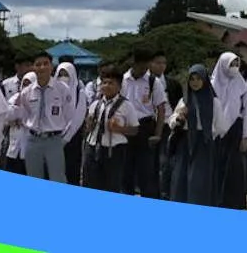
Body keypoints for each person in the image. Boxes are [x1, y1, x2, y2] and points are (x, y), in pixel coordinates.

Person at [169, 64, 228, 205]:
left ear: (205, 80)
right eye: (192, 79)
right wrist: (179, 118)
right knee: (180, 180)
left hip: (204, 144)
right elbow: (171, 121)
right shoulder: (184, 100)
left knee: (199, 182)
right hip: (186, 143)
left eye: (198, 79)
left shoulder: (214, 102)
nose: (195, 82)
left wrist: (208, 135)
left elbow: (221, 127)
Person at [15, 51, 72, 182]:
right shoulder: (27, 92)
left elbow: (69, 115)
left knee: (57, 177)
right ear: (33, 68)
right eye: (38, 64)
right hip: (33, 139)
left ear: (52, 67)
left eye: (45, 64)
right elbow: (24, 115)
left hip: (54, 140)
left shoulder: (62, 89)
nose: (42, 68)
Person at [121, 49, 168, 198]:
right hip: (127, 128)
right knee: (125, 170)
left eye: (146, 66)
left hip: (146, 127)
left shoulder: (154, 81)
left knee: (147, 173)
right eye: (141, 67)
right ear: (133, 64)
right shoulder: (123, 80)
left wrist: (158, 134)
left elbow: (161, 109)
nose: (143, 70)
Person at [84, 65, 137, 193]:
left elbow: (135, 130)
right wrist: (89, 124)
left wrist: (119, 128)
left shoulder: (126, 105)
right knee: (90, 183)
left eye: (111, 83)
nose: (106, 86)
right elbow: (88, 128)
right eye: (104, 82)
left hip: (114, 150)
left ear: (119, 86)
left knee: (111, 186)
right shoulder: (95, 104)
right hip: (93, 147)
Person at [211, 52, 247, 209]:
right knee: (217, 169)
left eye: (237, 65)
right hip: (217, 133)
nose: (234, 68)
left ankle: (236, 204)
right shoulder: (212, 84)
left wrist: (246, 136)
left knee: (235, 170)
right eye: (231, 65)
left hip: (235, 130)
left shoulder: (241, 85)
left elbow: (246, 111)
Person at [55, 62, 88, 185]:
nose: (63, 77)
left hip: (72, 138)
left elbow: (78, 118)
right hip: (54, 137)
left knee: (71, 171)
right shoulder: (52, 90)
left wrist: (66, 138)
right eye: (60, 74)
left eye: (66, 74)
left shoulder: (80, 93)